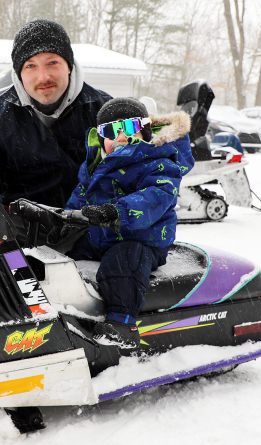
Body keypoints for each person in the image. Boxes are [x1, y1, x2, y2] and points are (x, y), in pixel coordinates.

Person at [65, 97, 195, 352]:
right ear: (101, 138)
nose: (122, 137)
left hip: (142, 240)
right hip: (101, 236)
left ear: (145, 131)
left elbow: (156, 197)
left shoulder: (159, 163)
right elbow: (80, 197)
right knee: (63, 254)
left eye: (130, 129)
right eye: (112, 131)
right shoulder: (96, 165)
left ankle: (121, 325)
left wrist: (117, 211)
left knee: (124, 264)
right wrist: (65, 219)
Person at [0, 19, 112, 208]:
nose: (43, 77)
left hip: (92, 231)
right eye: (31, 66)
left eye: (52, 63)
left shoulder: (105, 111)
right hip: (18, 233)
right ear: (19, 73)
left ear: (69, 66)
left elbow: (139, 169)